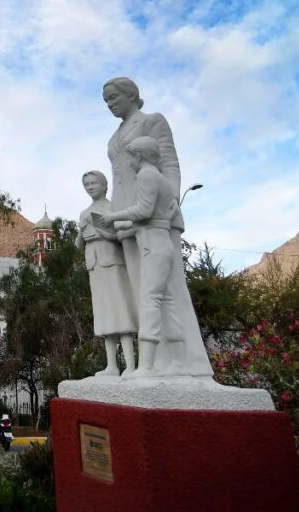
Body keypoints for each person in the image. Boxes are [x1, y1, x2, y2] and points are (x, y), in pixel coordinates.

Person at [102, 76, 212, 377]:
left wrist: (172, 196)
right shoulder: (114, 137)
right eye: (106, 100)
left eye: (113, 97)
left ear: (131, 94)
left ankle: (188, 362)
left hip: (155, 215)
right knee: (142, 291)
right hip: (126, 215)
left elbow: (169, 163)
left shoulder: (152, 121)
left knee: (167, 289)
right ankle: (155, 362)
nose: (109, 104)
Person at [101, 138, 186, 377]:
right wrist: (125, 226)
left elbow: (144, 210)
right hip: (158, 241)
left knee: (150, 300)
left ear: (138, 155)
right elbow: (156, 216)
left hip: (153, 246)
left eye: (130, 157)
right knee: (165, 301)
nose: (129, 163)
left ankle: (147, 366)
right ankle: (178, 362)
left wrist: (114, 217)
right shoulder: (162, 179)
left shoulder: (147, 176)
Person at [75, 170, 137, 376]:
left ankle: (131, 366)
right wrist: (81, 231)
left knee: (121, 309)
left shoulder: (114, 208)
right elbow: (78, 245)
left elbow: (125, 234)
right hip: (94, 263)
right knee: (104, 313)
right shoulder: (84, 213)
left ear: (104, 185)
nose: (90, 187)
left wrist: (105, 233)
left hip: (113, 260)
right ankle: (111, 366)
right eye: (86, 185)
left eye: (93, 183)